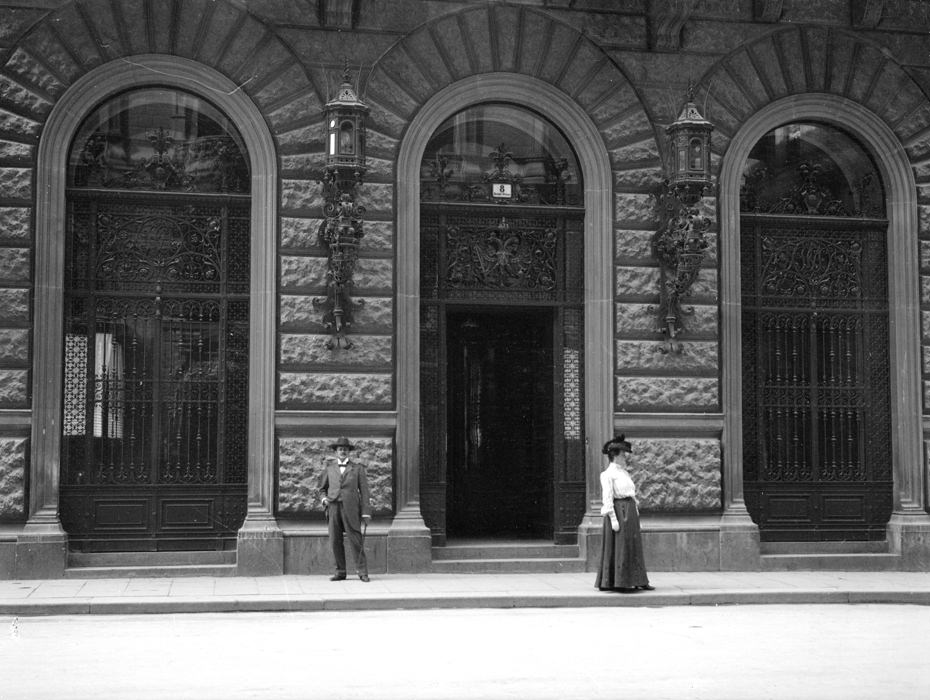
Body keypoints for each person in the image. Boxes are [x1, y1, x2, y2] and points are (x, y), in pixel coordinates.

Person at [595, 434, 654, 593]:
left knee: (634, 546)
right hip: (619, 512)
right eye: (622, 455)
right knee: (621, 547)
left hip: (629, 511)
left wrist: (636, 514)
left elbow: (632, 495)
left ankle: (639, 580)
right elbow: (607, 497)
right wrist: (613, 518)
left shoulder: (624, 473)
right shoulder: (607, 474)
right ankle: (620, 581)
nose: (625, 458)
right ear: (614, 456)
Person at [318, 436, 372, 582]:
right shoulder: (329, 468)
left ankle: (362, 572)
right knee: (335, 540)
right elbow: (322, 489)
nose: (343, 451)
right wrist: (324, 500)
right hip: (333, 507)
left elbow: (365, 492)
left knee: (355, 539)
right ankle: (340, 572)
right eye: (340, 449)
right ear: (336, 451)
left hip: (351, 508)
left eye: (345, 449)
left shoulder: (358, 468)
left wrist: (366, 512)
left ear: (349, 452)